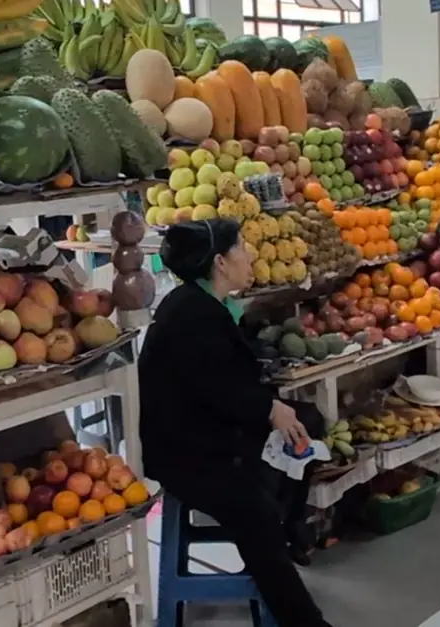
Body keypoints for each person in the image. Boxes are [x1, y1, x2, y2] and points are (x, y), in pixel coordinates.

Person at [139, 219, 333, 627]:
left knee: (308, 422)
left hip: (211, 429)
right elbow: (216, 389)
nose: (250, 256)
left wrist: (271, 408)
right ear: (221, 262)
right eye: (242, 248)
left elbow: (223, 382)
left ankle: (290, 524)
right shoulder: (192, 314)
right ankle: (303, 618)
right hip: (188, 452)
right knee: (252, 508)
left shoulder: (203, 302)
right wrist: (268, 410)